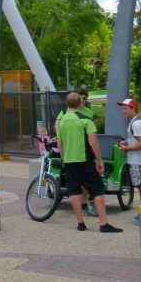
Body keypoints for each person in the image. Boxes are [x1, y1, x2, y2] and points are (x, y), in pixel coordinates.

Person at [57, 92, 123, 233]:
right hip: (84, 159)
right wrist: (99, 160)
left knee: (74, 191)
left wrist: (64, 158)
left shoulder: (61, 121)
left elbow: (59, 143)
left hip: (69, 161)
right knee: (97, 189)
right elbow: (93, 141)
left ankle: (80, 223)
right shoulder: (85, 120)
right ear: (80, 102)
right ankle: (103, 223)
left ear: (67, 104)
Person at [55, 88, 96, 216]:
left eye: (84, 98)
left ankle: (87, 202)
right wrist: (60, 137)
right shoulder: (65, 111)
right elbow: (57, 124)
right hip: (69, 146)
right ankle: (83, 205)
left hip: (84, 147)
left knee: (86, 178)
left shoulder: (88, 113)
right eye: (80, 97)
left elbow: (89, 132)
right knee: (75, 179)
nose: (82, 101)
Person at [117, 99, 141, 225]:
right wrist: (127, 141)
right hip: (137, 160)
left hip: (139, 160)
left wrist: (126, 148)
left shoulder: (136, 124)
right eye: (122, 108)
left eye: (125, 108)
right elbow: (136, 138)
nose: (123, 111)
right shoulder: (134, 122)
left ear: (133, 108)